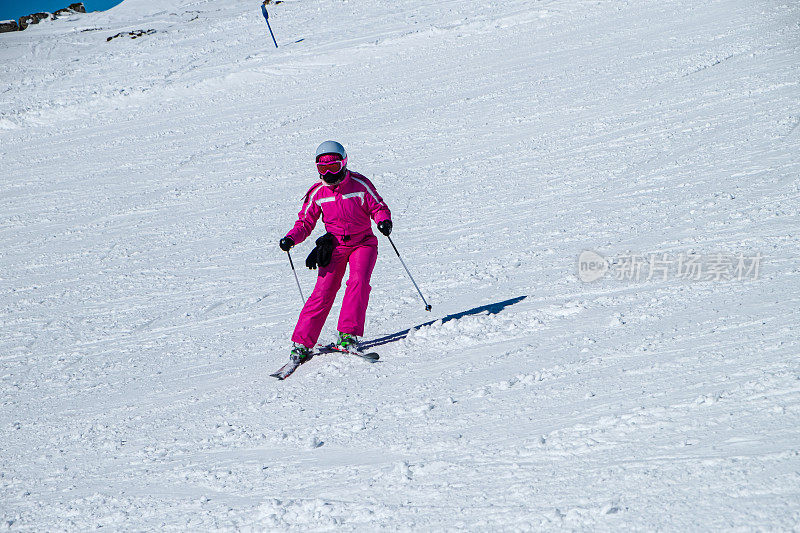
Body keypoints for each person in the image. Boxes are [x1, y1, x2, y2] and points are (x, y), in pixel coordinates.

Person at [279, 141, 393, 363]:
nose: (329, 173)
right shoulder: (317, 193)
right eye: (323, 169)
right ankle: (302, 343)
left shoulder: (360, 185)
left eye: (334, 166)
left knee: (358, 282)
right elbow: (305, 222)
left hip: (363, 243)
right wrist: (291, 238)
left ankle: (348, 335)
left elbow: (378, 207)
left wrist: (383, 221)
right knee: (323, 291)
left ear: (344, 163)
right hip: (335, 245)